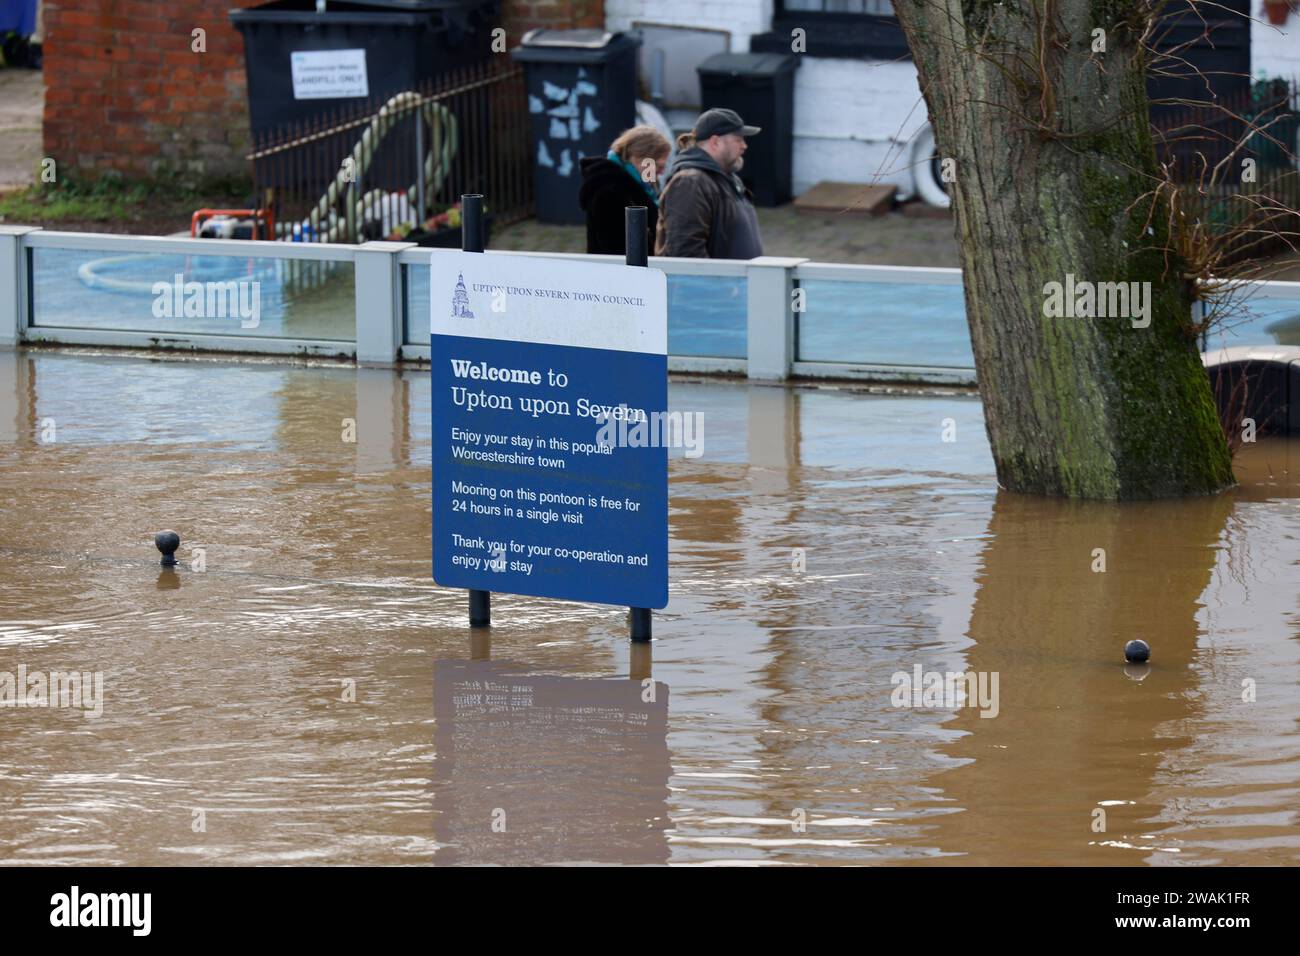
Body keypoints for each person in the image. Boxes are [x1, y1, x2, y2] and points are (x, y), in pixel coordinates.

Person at [655, 108, 764, 259]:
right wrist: (718, 282)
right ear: (715, 142)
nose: (744, 146)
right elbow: (686, 254)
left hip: (739, 281)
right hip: (721, 282)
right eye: (738, 139)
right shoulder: (690, 183)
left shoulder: (727, 179)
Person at [578, 126, 671, 255]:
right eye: (659, 166)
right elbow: (615, 248)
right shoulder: (608, 190)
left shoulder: (637, 184)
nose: (661, 172)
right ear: (639, 157)